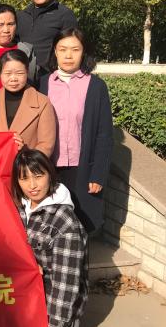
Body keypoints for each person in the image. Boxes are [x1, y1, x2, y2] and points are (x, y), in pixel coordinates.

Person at [11, 147, 88, 327]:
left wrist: (58, 323)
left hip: (55, 297)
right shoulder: (18, 207)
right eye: (24, 178)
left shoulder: (64, 220)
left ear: (50, 175)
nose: (32, 185)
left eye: (38, 176)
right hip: (27, 294)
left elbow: (66, 277)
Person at [39, 28, 113, 233]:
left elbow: (104, 134)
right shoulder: (43, 83)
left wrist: (98, 174)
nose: (68, 55)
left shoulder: (96, 86)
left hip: (83, 168)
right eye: (63, 49)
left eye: (75, 49)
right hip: (49, 166)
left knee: (81, 224)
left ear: (84, 52)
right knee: (49, 224)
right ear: (55, 51)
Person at [0, 49, 56, 157]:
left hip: (28, 165)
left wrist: (25, 151)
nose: (13, 78)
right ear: (0, 74)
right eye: (8, 73)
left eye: (19, 73)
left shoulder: (42, 102)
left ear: (27, 72)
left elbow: (46, 145)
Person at [17, 0, 78, 74]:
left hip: (52, 77)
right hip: (23, 77)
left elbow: (73, 49)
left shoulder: (64, 15)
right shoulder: (21, 16)